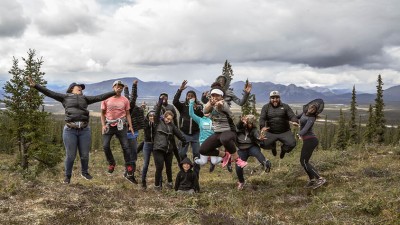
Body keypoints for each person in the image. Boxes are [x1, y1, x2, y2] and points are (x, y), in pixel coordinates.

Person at [28, 77, 116, 184]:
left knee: (84, 155)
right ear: (71, 89)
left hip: (84, 130)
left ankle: (84, 172)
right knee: (70, 155)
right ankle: (67, 176)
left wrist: (114, 92)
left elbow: (100, 97)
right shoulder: (65, 97)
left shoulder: (85, 98)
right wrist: (36, 86)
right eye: (78, 86)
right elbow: (49, 93)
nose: (80, 88)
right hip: (70, 130)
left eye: (81, 88)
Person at [199, 83, 247, 169]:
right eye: (213, 95)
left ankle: (237, 159)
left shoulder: (224, 103)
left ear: (221, 96)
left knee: (224, 138)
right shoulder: (210, 103)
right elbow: (205, 111)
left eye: (217, 95)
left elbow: (220, 106)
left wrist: (218, 104)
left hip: (229, 131)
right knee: (203, 150)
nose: (215, 97)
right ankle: (225, 155)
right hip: (217, 133)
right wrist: (210, 104)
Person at [101, 80, 136, 184]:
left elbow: (128, 114)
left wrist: (130, 126)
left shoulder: (125, 100)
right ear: (113, 87)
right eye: (117, 86)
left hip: (121, 125)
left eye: (120, 87)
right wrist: (103, 125)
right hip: (109, 124)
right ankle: (111, 163)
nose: (119, 88)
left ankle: (128, 166)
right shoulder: (106, 98)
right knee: (105, 146)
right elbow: (102, 113)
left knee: (125, 146)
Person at [152, 97, 187, 190]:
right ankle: (157, 186)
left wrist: (184, 141)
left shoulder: (172, 125)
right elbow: (157, 112)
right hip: (158, 149)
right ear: (164, 116)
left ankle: (170, 183)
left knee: (168, 167)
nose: (168, 120)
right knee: (159, 167)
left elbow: (179, 134)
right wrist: (160, 102)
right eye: (167, 118)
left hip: (168, 150)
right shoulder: (157, 122)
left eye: (170, 119)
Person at [173, 80, 203, 175]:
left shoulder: (198, 106)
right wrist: (180, 90)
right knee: (181, 153)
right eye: (188, 96)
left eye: (192, 96)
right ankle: (185, 170)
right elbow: (175, 101)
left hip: (195, 134)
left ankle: (196, 174)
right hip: (184, 134)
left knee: (197, 155)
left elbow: (203, 117)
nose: (190, 97)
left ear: (195, 97)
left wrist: (197, 108)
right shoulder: (182, 106)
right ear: (186, 97)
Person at [235, 115, 272, 190]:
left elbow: (256, 134)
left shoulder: (254, 129)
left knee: (258, 154)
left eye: (251, 124)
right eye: (248, 123)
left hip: (251, 147)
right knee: (238, 167)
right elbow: (238, 126)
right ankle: (241, 181)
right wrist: (241, 121)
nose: (250, 125)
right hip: (242, 149)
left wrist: (259, 138)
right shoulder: (239, 128)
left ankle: (266, 163)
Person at [297, 99, 327, 189]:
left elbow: (306, 128)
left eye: (314, 109)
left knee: (304, 161)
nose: (312, 109)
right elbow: (295, 117)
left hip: (311, 140)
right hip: (307, 141)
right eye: (311, 106)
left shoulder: (312, 118)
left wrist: (299, 134)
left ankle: (320, 178)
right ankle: (312, 180)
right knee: (304, 161)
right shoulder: (303, 113)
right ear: (308, 106)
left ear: (315, 111)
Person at [259, 91, 298, 159]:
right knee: (263, 144)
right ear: (270, 98)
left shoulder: (285, 106)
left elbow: (292, 115)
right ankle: (273, 147)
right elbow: (262, 118)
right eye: (272, 98)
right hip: (271, 132)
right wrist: (262, 127)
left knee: (292, 144)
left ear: (279, 98)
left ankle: (283, 150)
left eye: (277, 97)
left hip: (285, 131)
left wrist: (294, 121)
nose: (275, 100)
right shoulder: (266, 107)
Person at [188, 98, 222, 172]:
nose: (206, 112)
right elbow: (191, 114)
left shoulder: (213, 119)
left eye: (208, 111)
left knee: (214, 162)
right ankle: (196, 159)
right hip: (203, 142)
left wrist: (217, 104)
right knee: (203, 162)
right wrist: (191, 103)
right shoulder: (200, 120)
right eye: (205, 111)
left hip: (213, 143)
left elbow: (220, 113)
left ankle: (226, 158)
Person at [124, 80, 145, 181]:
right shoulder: (129, 106)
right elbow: (132, 98)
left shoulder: (130, 107)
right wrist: (134, 86)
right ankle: (130, 175)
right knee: (132, 155)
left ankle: (127, 172)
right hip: (129, 134)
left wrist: (126, 89)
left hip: (132, 133)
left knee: (130, 155)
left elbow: (129, 98)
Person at [140, 109, 157, 189]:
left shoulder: (157, 124)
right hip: (147, 144)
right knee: (145, 164)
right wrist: (143, 108)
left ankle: (159, 182)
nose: (152, 117)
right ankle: (143, 182)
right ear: (148, 117)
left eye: (153, 116)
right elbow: (141, 117)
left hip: (155, 145)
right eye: (150, 116)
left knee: (158, 165)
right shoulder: (145, 123)